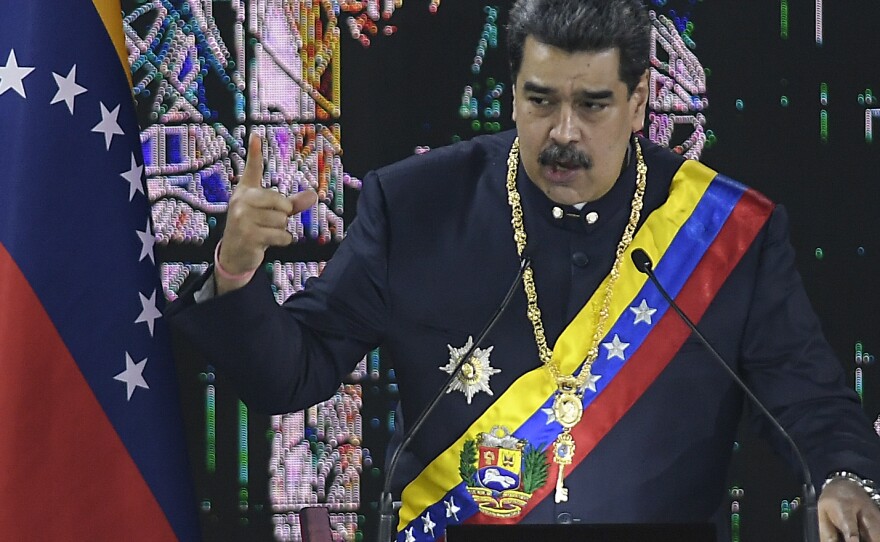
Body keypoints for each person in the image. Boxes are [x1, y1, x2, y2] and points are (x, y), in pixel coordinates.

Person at [167, 0, 880, 540]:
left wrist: (844, 480)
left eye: (592, 105)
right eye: (541, 100)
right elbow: (294, 372)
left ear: (638, 104)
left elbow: (812, 403)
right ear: (513, 91)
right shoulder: (414, 205)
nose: (563, 132)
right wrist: (235, 270)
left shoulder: (723, 234)